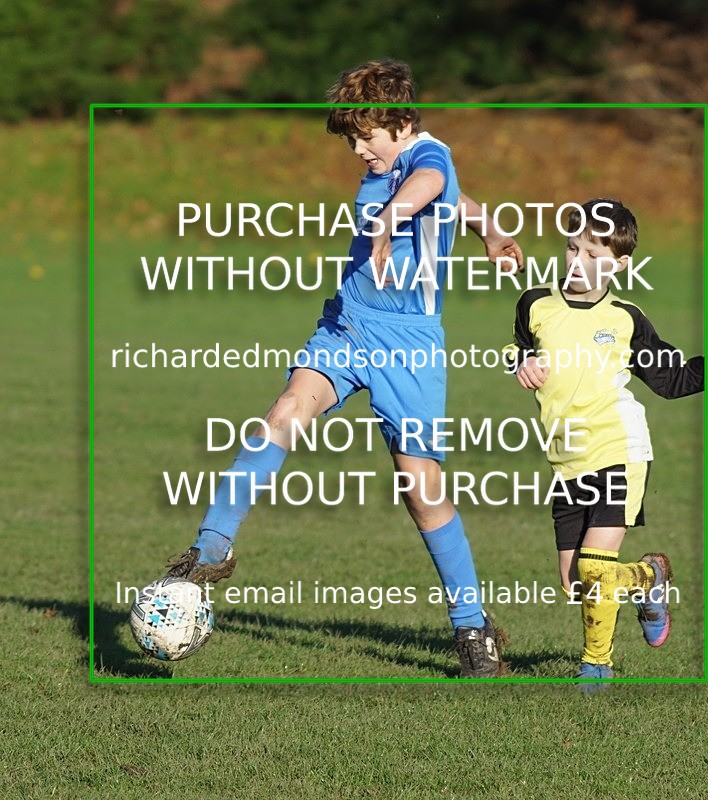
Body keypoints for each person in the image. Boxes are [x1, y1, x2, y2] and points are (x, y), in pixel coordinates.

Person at [165, 59, 523, 677]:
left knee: (421, 491)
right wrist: (489, 230)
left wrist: (388, 221)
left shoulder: (426, 156)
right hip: (347, 324)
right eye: (352, 140)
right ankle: (211, 547)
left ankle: (473, 627)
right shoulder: (400, 158)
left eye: (368, 139)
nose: (359, 151)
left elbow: (434, 182)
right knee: (283, 413)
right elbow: (455, 195)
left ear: (403, 123)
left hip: (408, 344)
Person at [505, 198, 708, 690]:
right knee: (574, 582)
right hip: (565, 459)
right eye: (571, 248)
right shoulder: (535, 303)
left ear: (619, 264)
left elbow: (673, 380)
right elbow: (516, 348)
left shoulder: (627, 319)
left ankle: (596, 666)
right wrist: (519, 365)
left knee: (595, 567)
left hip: (619, 450)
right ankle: (649, 578)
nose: (576, 262)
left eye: (591, 254)